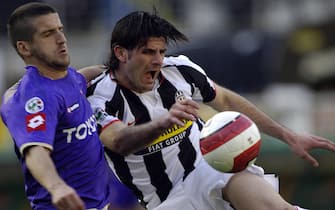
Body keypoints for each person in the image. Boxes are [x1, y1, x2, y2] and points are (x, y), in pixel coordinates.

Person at [85, 10, 335, 210]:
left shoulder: (179, 71)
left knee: (268, 203)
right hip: (164, 201)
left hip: (208, 167)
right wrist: (163, 122)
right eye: (148, 52)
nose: (158, 60)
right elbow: (117, 141)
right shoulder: (100, 97)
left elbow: (225, 99)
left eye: (161, 51)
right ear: (120, 53)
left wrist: (287, 135)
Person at [0, 3, 141, 210]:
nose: (61, 39)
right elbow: (35, 151)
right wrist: (56, 187)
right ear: (24, 47)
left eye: (61, 30)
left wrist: (122, 70)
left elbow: (81, 77)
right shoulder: (35, 96)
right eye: (48, 34)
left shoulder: (67, 78)